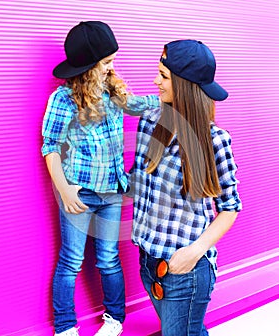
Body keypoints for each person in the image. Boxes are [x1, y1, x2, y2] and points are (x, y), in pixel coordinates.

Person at [41, 21, 159, 336]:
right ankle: (65, 326)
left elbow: (138, 105)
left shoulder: (113, 92)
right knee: (71, 261)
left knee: (108, 260)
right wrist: (64, 191)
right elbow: (50, 147)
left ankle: (115, 319)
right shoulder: (62, 100)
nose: (111, 68)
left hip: (112, 194)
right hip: (78, 194)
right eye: (106, 63)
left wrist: (174, 97)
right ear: (90, 66)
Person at [128, 39, 242, 336]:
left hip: (186, 269)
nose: (156, 81)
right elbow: (138, 182)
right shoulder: (150, 122)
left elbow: (230, 209)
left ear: (184, 85)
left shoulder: (215, 141)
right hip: (148, 261)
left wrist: (193, 252)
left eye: (163, 76)